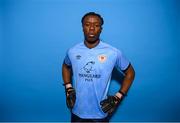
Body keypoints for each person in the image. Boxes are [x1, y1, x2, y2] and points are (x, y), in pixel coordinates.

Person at [62, 12, 135, 122]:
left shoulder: (113, 52)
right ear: (82, 27)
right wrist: (68, 87)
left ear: (101, 29)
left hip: (100, 114)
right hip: (77, 111)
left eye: (96, 25)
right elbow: (65, 66)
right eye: (87, 24)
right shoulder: (72, 51)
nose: (91, 28)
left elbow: (130, 73)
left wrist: (118, 97)